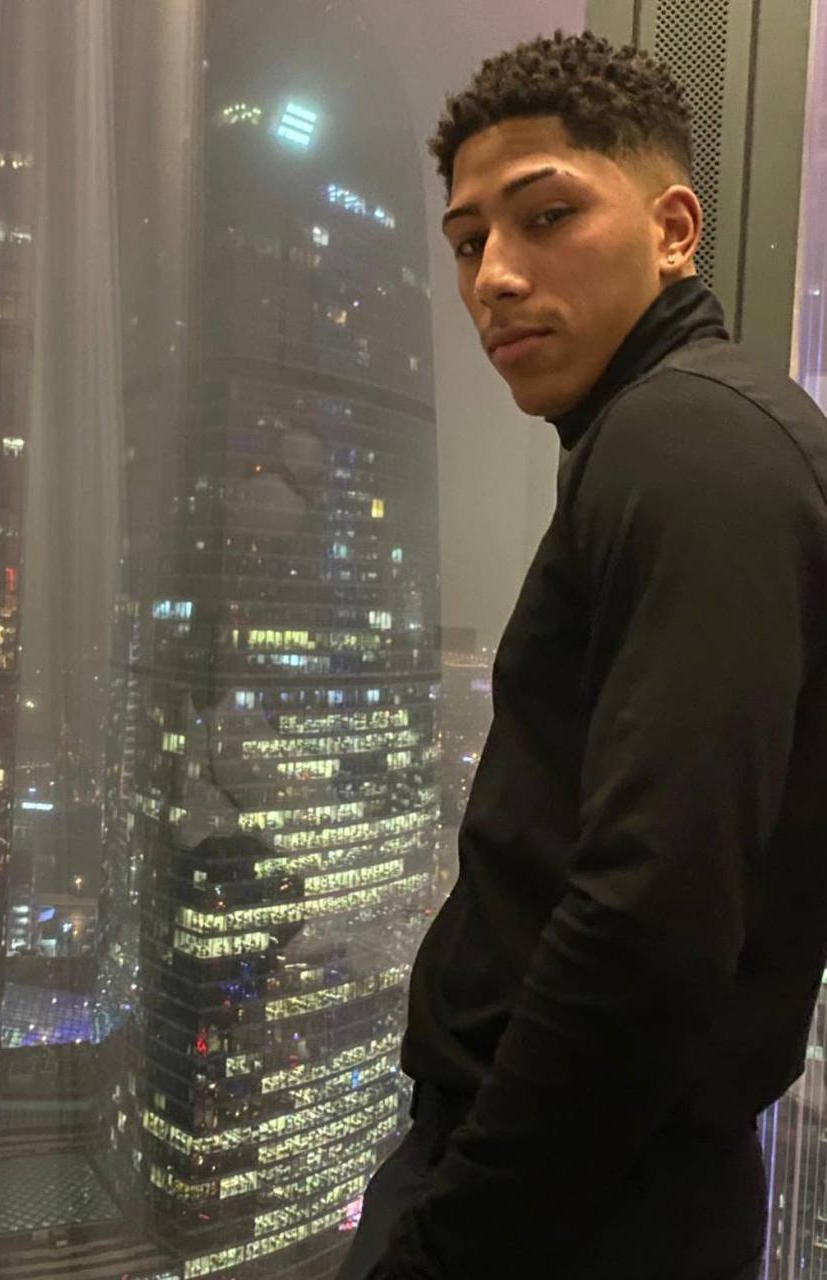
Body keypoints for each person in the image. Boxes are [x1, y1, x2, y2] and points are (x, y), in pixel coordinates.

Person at [336, 27, 827, 1280]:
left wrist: (451, 1241)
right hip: (598, 1178)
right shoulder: (657, 439)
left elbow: (650, 911)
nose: (493, 277)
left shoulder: (688, 444)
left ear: (672, 228)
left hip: (582, 1203)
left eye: (545, 215)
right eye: (465, 242)